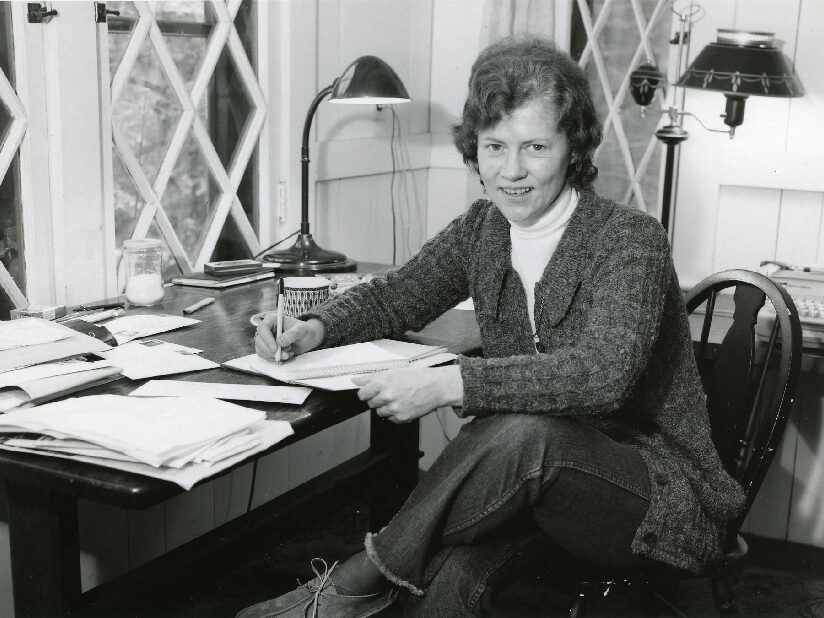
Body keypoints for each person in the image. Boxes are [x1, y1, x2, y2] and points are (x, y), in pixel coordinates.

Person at [240, 35, 745, 618]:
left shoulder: (628, 239)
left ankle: (356, 580)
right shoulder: (484, 228)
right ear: (474, 150)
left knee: (526, 432)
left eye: (535, 146)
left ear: (572, 148)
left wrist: (453, 382)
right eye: (494, 146)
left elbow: (601, 376)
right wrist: (316, 327)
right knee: (446, 577)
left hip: (648, 494)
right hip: (533, 484)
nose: (511, 170)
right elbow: (399, 294)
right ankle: (367, 591)